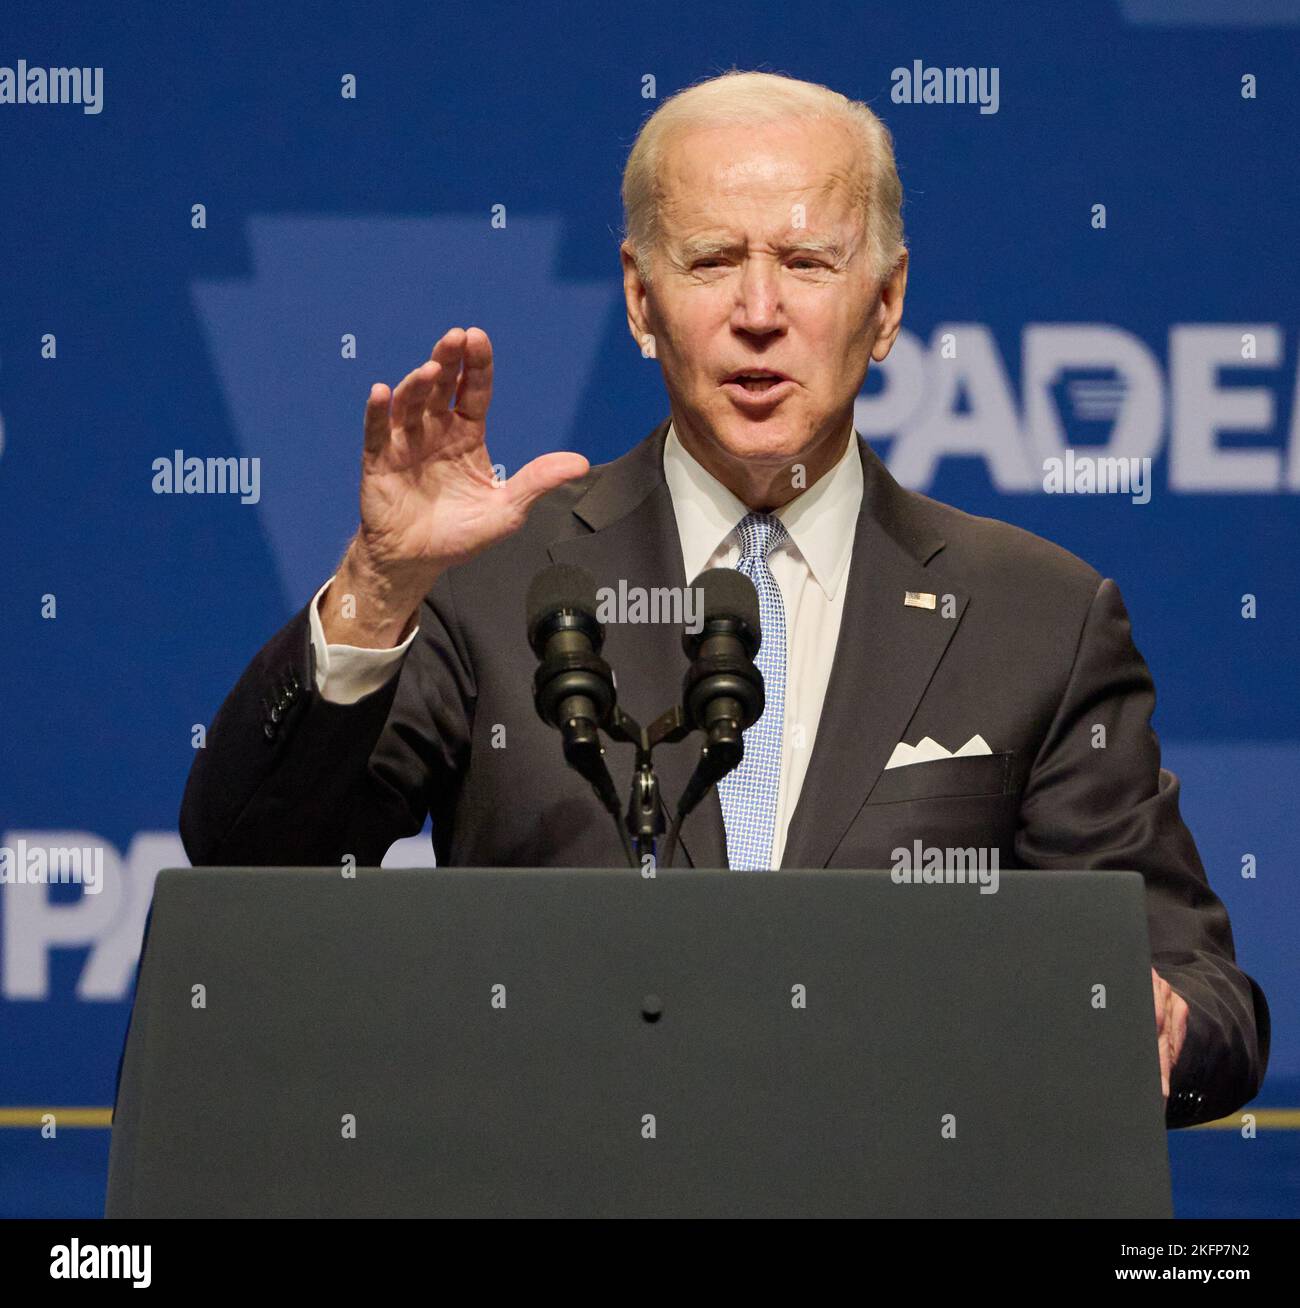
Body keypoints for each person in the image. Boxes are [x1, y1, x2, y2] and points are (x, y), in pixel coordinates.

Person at [181, 70, 1268, 1128]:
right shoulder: (493, 583)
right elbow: (251, 871)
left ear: (884, 304)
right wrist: (379, 587)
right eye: (710, 262)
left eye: (805, 260)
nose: (759, 310)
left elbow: (1198, 984)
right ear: (640, 299)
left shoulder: (1035, 613)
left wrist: (1156, 1022)